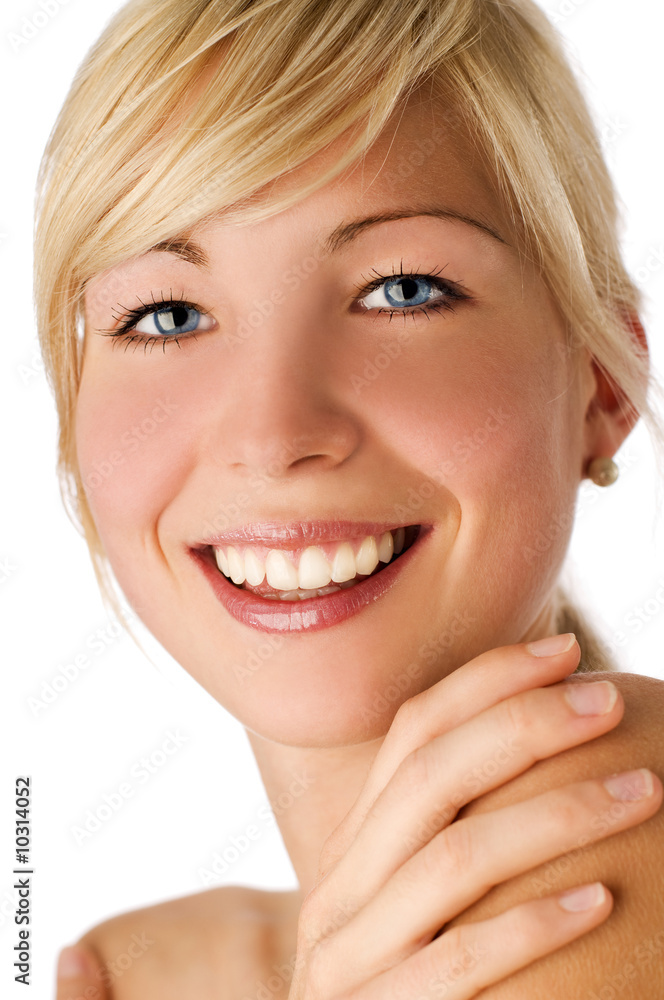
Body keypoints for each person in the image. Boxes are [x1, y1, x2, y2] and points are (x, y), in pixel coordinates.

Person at [39, 0, 664, 996]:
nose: (272, 435)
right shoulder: (142, 969)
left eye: (402, 290)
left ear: (600, 384)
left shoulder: (606, 847)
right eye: (167, 312)